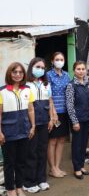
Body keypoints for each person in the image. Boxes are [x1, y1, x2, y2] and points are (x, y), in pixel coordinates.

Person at [0, 62, 35, 196]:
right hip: (8, 134)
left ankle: (19, 187)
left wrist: (33, 126)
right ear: (10, 73)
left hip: (24, 132)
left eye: (20, 72)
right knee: (9, 163)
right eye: (15, 72)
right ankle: (10, 189)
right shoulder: (2, 91)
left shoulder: (27, 89)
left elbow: (31, 110)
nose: (18, 75)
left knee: (21, 162)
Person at [24, 58, 56, 193]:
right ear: (31, 67)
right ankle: (28, 182)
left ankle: (41, 179)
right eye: (38, 67)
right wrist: (32, 124)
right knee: (31, 152)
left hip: (44, 122)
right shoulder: (25, 84)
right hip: (31, 123)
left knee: (42, 151)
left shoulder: (45, 84)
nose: (41, 70)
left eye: (43, 68)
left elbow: (49, 101)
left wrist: (51, 118)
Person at [66, 61, 89, 180]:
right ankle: (76, 168)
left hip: (87, 118)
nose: (81, 71)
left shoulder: (88, 84)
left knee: (84, 144)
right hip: (77, 120)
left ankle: (82, 166)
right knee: (77, 145)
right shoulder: (71, 85)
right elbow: (70, 105)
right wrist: (74, 121)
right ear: (74, 70)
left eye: (83, 69)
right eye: (78, 69)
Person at [47, 52, 70, 178]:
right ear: (52, 61)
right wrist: (53, 113)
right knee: (53, 140)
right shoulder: (48, 75)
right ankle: (52, 168)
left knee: (61, 140)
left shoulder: (66, 75)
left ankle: (57, 166)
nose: (59, 61)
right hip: (54, 113)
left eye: (61, 59)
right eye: (57, 59)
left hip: (65, 112)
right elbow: (48, 95)